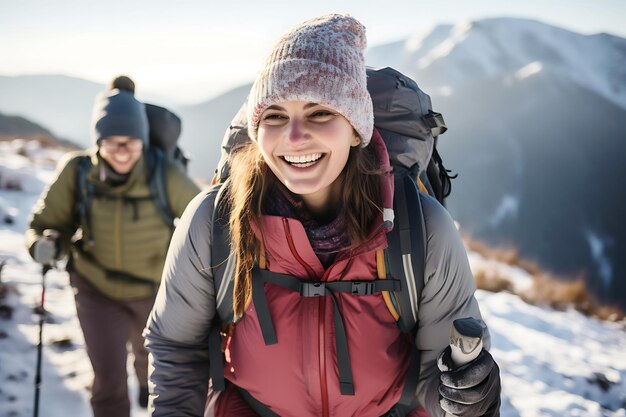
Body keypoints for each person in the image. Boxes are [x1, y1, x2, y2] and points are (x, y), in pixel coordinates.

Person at [145, 14, 501, 417]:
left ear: (355, 128)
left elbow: (435, 373)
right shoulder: (216, 222)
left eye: (320, 113)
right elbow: (175, 345)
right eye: (275, 116)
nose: (294, 137)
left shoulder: (421, 227)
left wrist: (466, 395)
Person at [26, 76, 200, 417]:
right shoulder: (77, 172)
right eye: (111, 143)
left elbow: (202, 219)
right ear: (98, 143)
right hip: (96, 289)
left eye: (131, 143)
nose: (122, 152)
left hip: (154, 290)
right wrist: (44, 245)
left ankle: (146, 391)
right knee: (107, 379)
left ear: (144, 142)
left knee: (152, 365)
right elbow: (44, 224)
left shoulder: (164, 173)